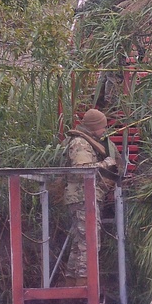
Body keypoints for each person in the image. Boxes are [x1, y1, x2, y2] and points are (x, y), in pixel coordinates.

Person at [63, 108, 121, 286]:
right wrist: (106, 163)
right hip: (83, 196)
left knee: (81, 241)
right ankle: (84, 283)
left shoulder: (86, 141)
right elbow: (82, 170)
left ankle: (73, 281)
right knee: (89, 240)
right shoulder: (80, 143)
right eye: (102, 127)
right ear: (94, 127)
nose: (104, 131)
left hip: (83, 196)